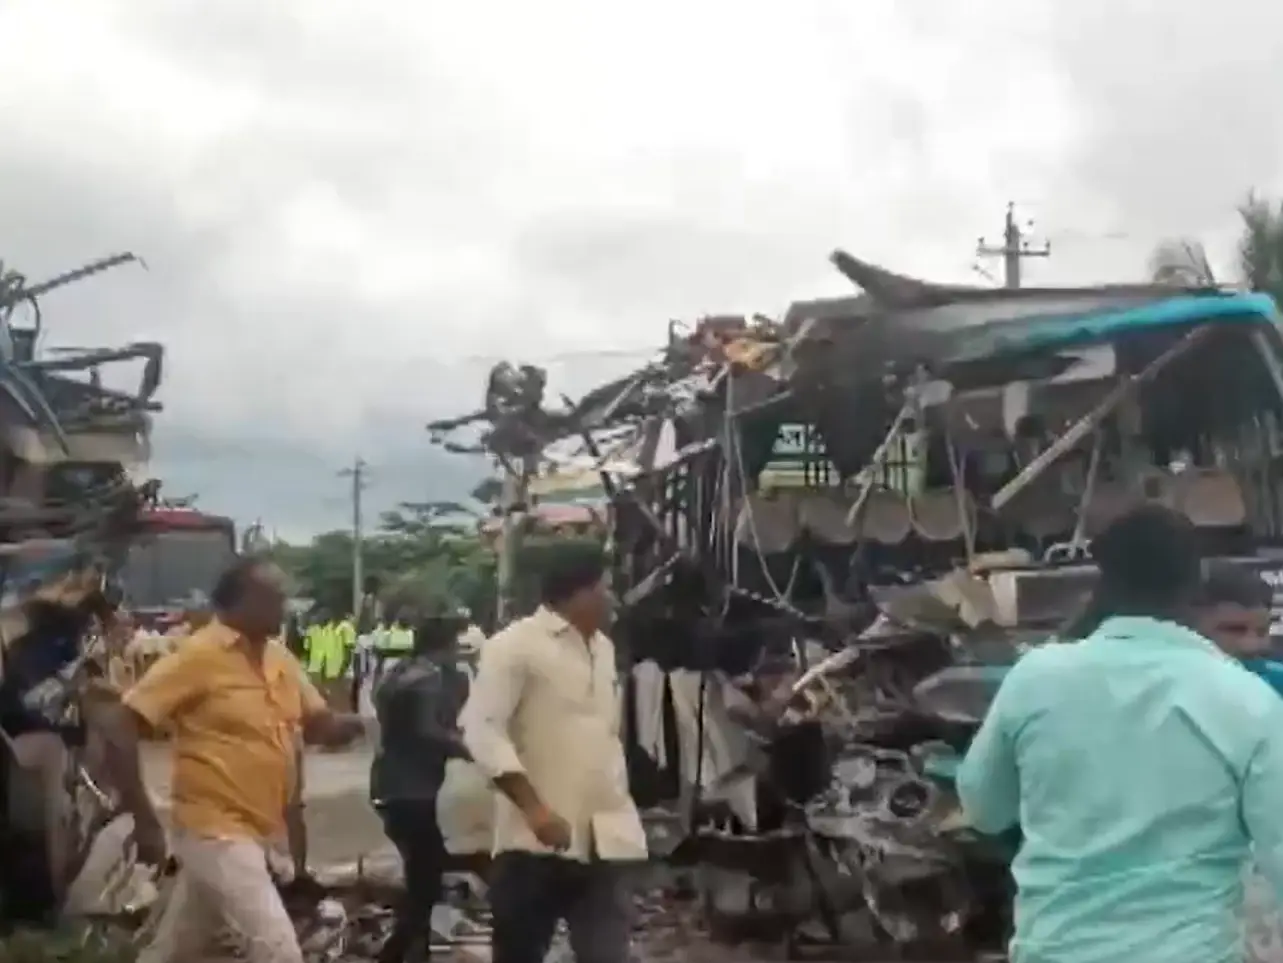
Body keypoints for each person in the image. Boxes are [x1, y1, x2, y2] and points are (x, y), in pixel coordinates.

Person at [956, 505, 1283, 963]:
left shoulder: (1036, 677)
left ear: (1104, 579)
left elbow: (984, 810)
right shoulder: (1244, 698)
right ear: (1193, 587)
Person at [106, 556, 365, 963]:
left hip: (260, 830)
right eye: (276, 598)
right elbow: (124, 720)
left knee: (178, 950)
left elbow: (317, 724)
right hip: (213, 828)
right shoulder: (199, 655)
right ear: (242, 601)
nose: (286, 606)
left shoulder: (279, 658)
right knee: (278, 951)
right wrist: (142, 815)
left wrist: (349, 726)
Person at [462, 547, 646, 963]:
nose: (613, 598)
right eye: (606, 588)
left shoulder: (603, 649)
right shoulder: (514, 647)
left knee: (606, 953)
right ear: (577, 592)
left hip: (605, 839)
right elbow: (481, 729)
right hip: (534, 844)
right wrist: (535, 809)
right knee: (520, 953)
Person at [370, 608, 472, 963]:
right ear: (443, 647)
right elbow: (428, 730)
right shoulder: (429, 679)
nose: (460, 655)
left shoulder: (397, 672)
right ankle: (398, 952)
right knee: (427, 876)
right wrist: (467, 749)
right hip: (412, 790)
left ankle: (415, 949)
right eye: (457, 647)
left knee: (422, 872)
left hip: (389, 784)